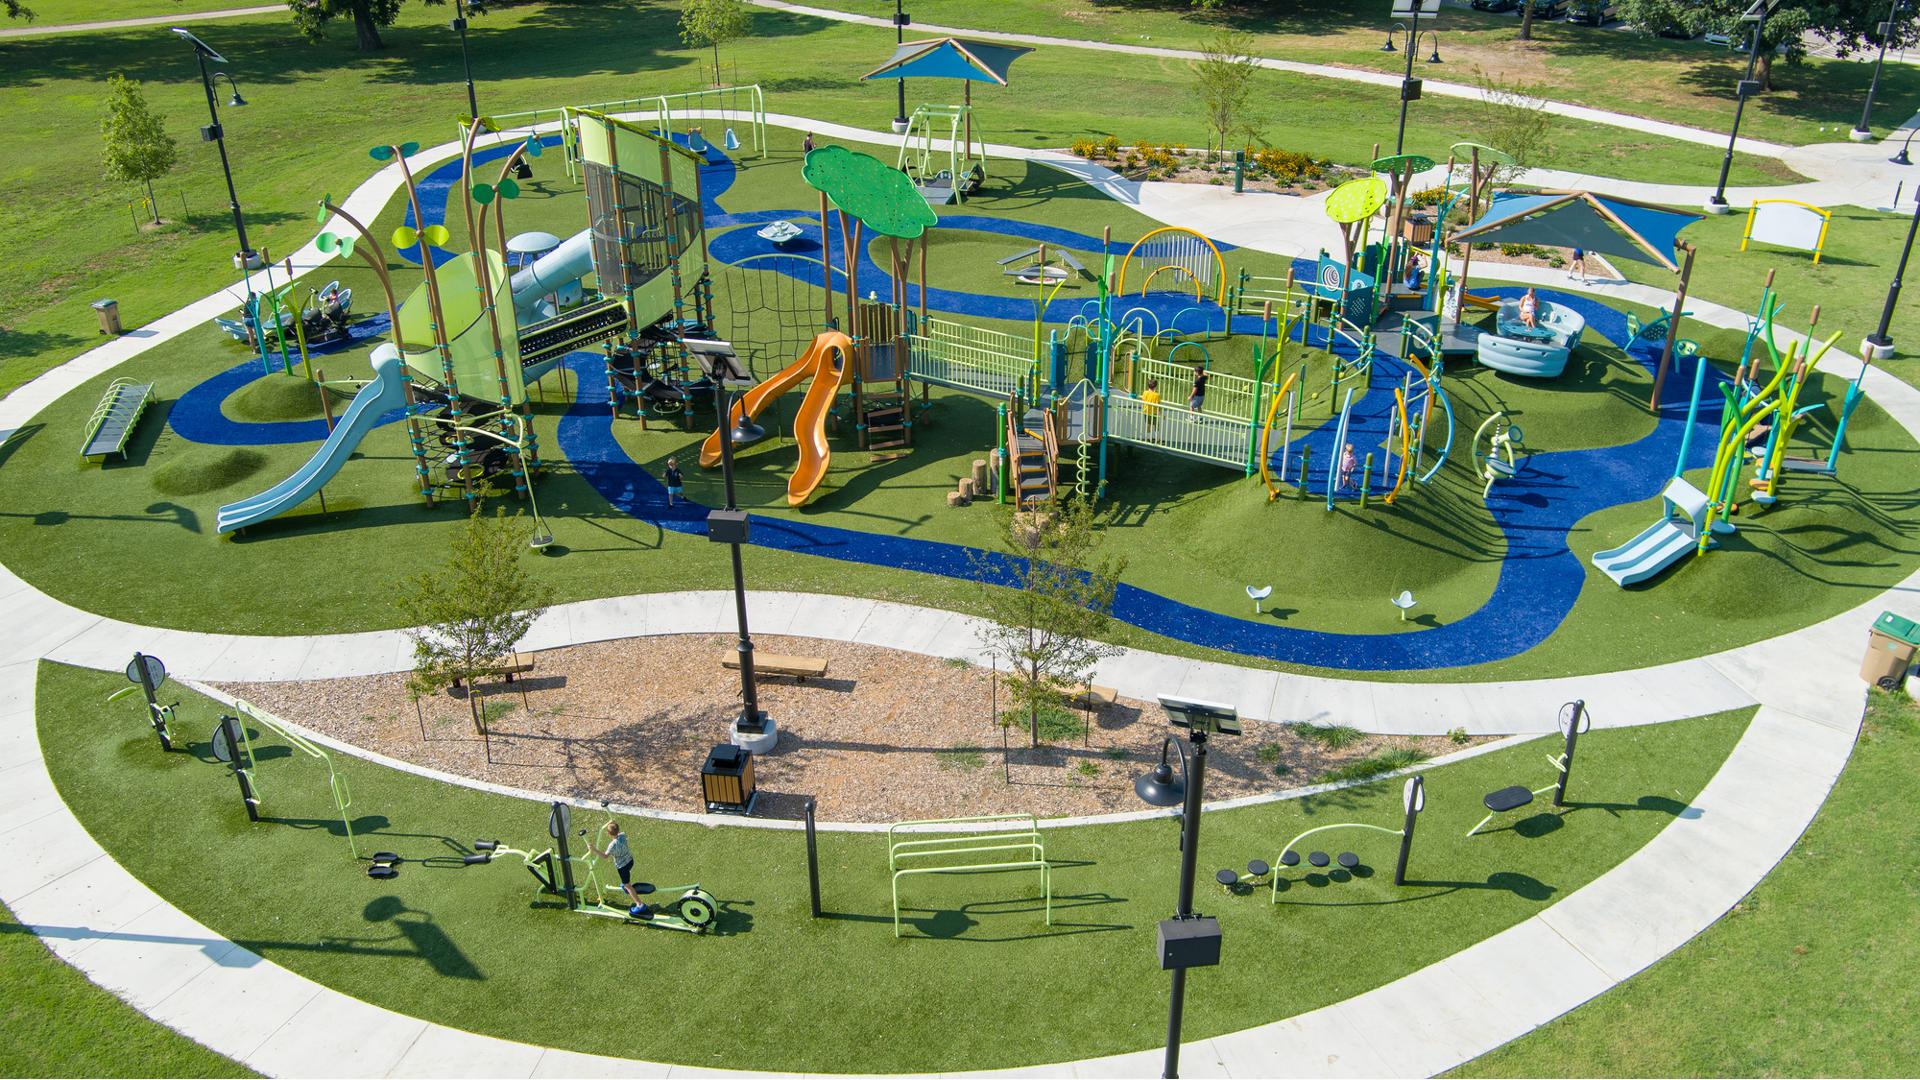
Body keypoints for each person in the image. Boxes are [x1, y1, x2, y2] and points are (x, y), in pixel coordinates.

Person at [597, 820, 651, 917]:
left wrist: (593, 850)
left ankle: (640, 904)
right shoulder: (622, 835)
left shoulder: (612, 845)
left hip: (622, 867)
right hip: (630, 861)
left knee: (627, 885)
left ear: (608, 834)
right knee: (626, 879)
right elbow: (617, 831)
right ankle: (627, 884)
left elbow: (605, 856)